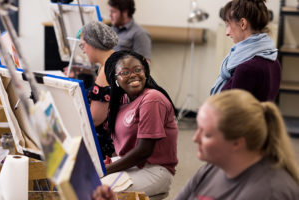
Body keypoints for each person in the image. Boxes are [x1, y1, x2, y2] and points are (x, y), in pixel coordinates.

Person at [93, 89, 299, 200]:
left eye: (207, 134)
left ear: (237, 142)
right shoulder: (212, 169)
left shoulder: (269, 192)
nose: (194, 138)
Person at [101, 50, 178, 198]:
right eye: (125, 72)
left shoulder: (152, 99)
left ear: (145, 72)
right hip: (135, 166)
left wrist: (107, 170)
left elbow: (144, 150)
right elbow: (125, 145)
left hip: (155, 170)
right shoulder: (123, 100)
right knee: (85, 178)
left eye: (138, 70)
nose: (133, 75)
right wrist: (110, 163)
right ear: (115, 79)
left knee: (97, 190)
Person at [210, 0, 281, 102]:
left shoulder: (246, 68)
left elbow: (234, 114)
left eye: (228, 25)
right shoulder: (274, 61)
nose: (227, 32)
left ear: (243, 23)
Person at [79, 21, 118, 158]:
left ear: (92, 43)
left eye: (82, 45)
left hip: (105, 146)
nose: (83, 50)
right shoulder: (112, 61)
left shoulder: (107, 70)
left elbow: (95, 119)